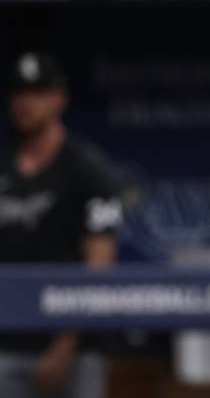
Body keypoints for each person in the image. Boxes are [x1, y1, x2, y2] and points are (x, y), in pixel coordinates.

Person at [0, 53, 122, 398]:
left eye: (38, 92)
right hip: (7, 344)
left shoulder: (89, 170)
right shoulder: (3, 165)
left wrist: (66, 344)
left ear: (59, 98)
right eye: (18, 93)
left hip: (75, 349)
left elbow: (100, 265)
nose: (26, 102)